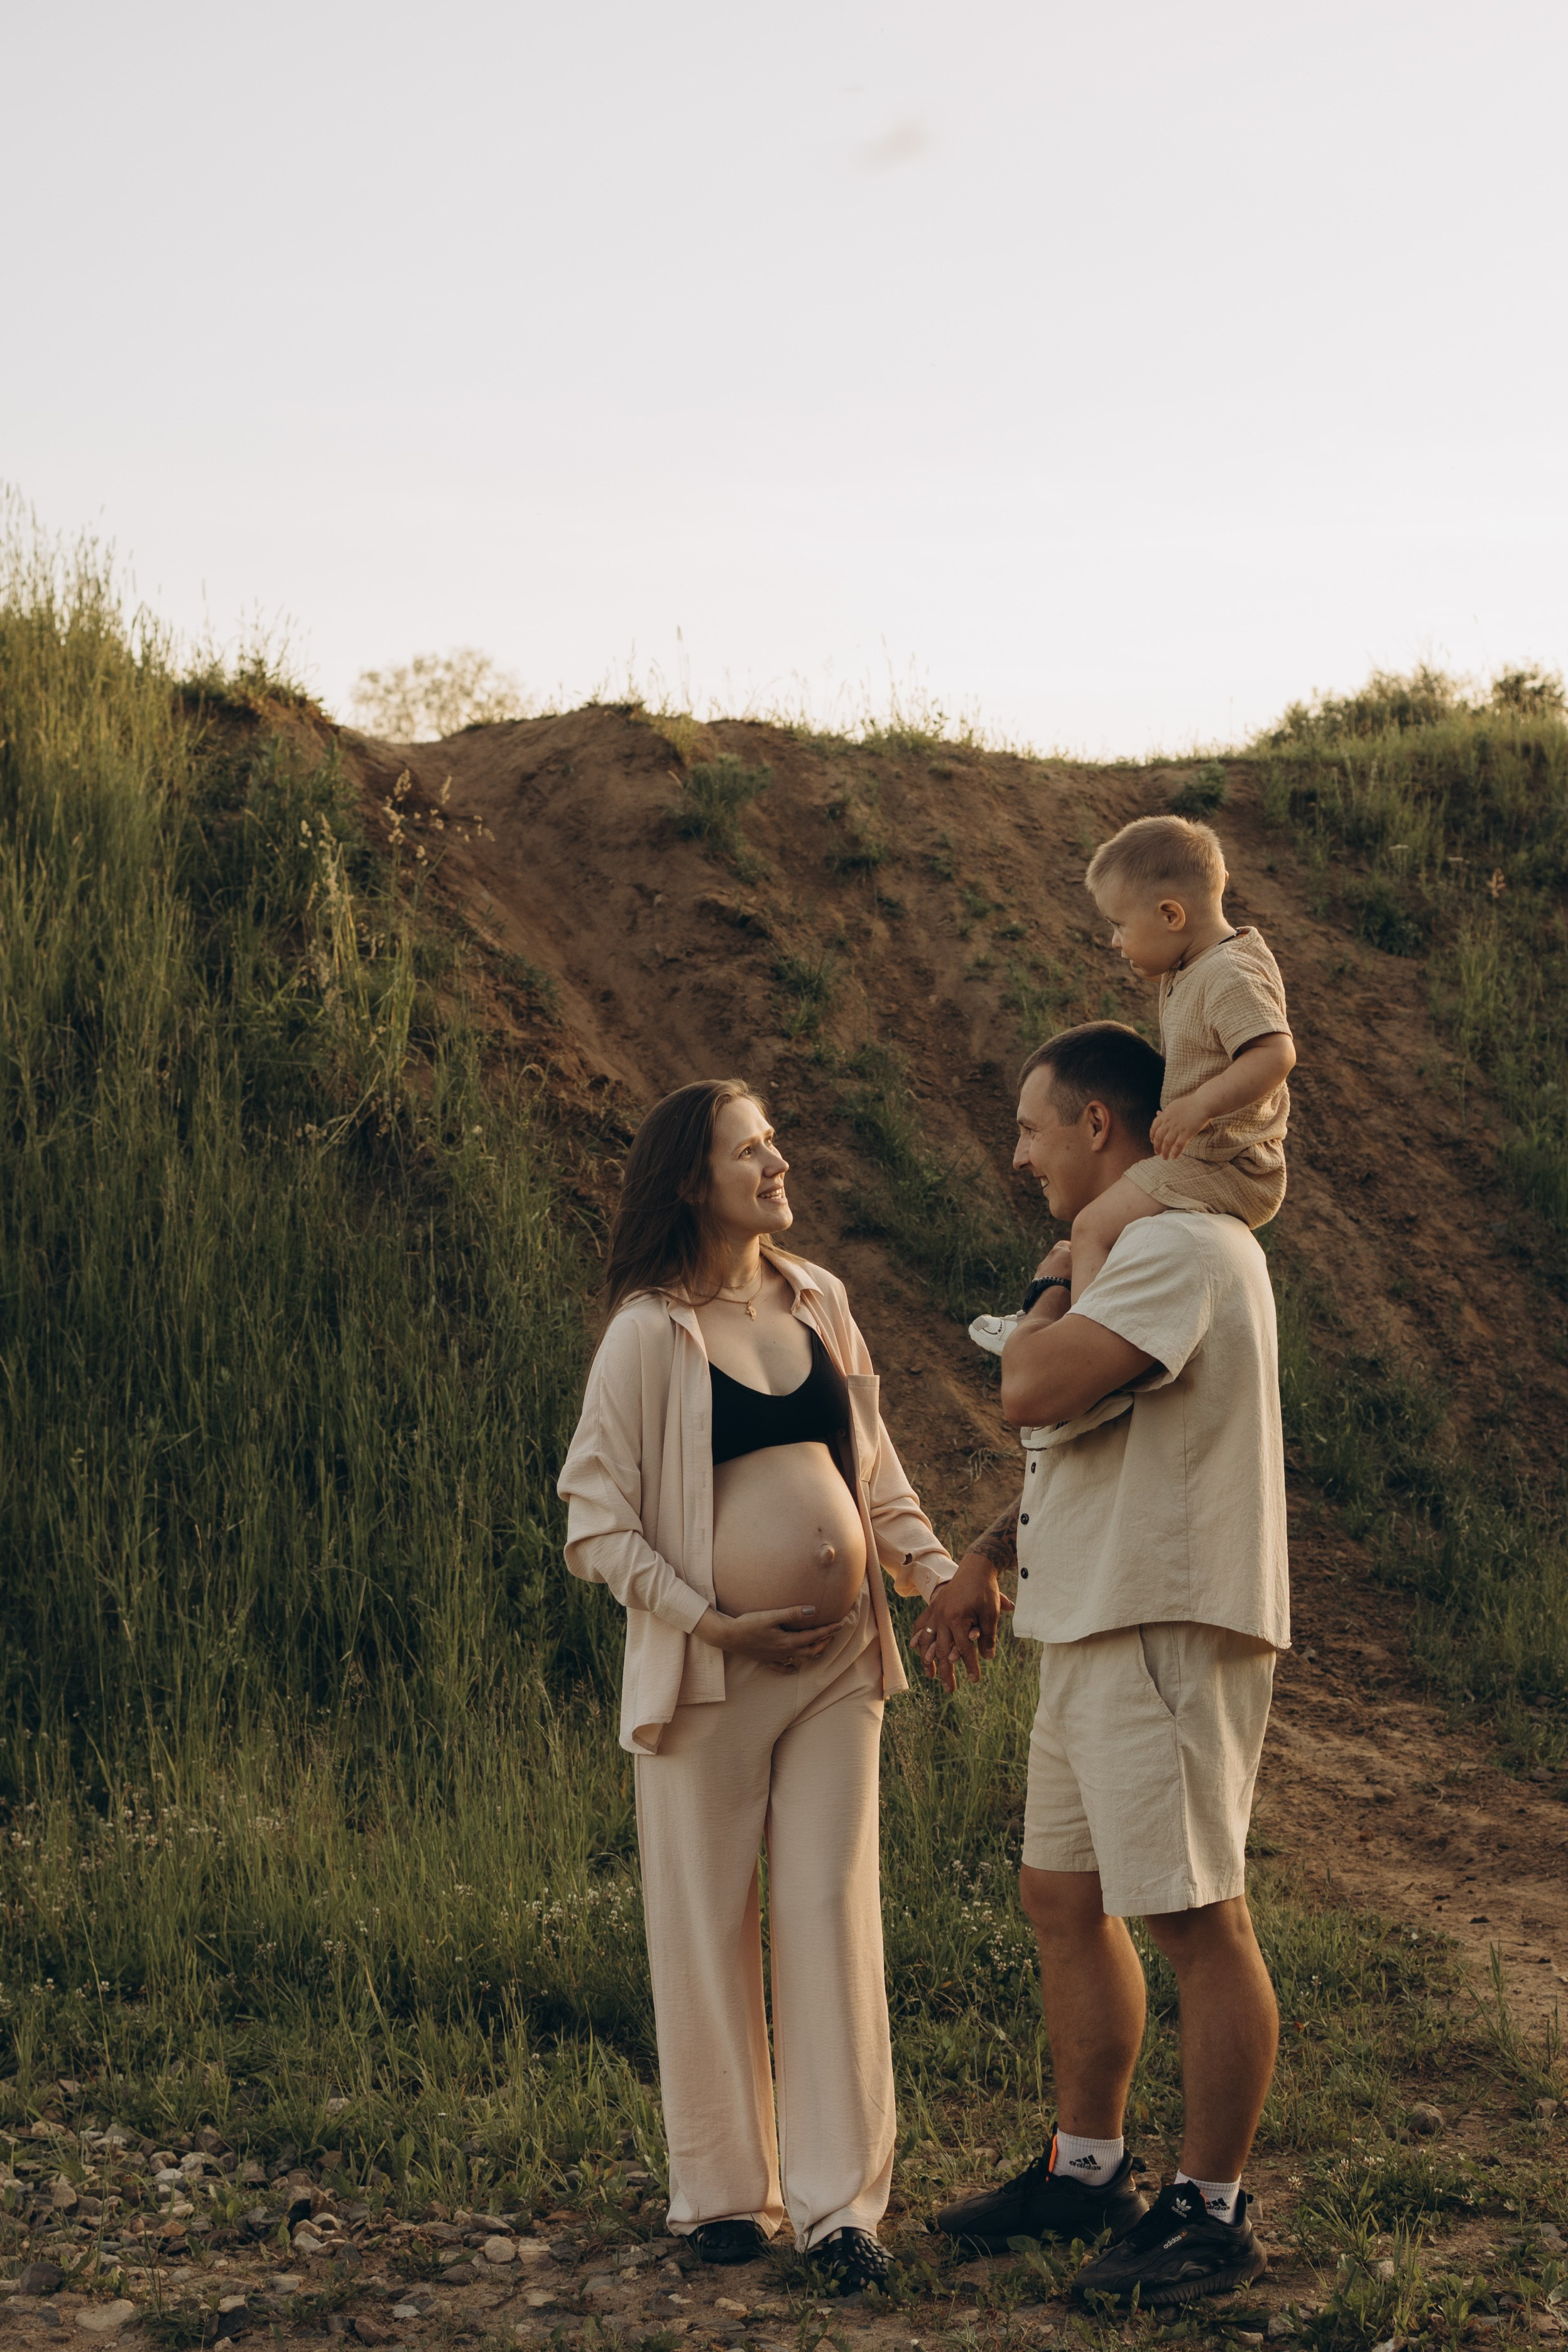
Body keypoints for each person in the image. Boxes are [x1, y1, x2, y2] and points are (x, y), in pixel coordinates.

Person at [913, 1020, 1290, 2311]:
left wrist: (1054, 1275)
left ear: (1098, 1127)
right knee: (1060, 1898)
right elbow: (1091, 1442)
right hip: (1091, 1623)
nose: (1018, 1156)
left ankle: (1211, 2214)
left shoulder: (1180, 1246)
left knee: (1195, 1915)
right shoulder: (1138, 1255)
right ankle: (1089, 2170)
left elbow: (1029, 1387)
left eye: (1030, 1129)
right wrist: (988, 1553)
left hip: (1162, 1627)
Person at [558, 1077, 959, 2290]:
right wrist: (712, 1619)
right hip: (711, 1673)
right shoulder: (647, 1330)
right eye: (751, 1146)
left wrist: (937, 1576)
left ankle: (845, 2213)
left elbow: (875, 1475)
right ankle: (728, 2195)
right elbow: (592, 1518)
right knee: (706, 1919)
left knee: (831, 1912)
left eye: (775, 1138)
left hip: (839, 1663)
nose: (777, 1159)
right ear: (695, 1179)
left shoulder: (820, 1297)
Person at [1066, 814, 1295, 1303]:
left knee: (1091, 1228)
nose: (1114, 941)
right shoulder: (1193, 962)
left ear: (1172, 916)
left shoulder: (1228, 973)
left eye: (1120, 926)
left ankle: (1079, 1338)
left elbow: (1275, 1053)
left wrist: (1200, 1105)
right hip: (1208, 1155)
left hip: (1232, 1165)